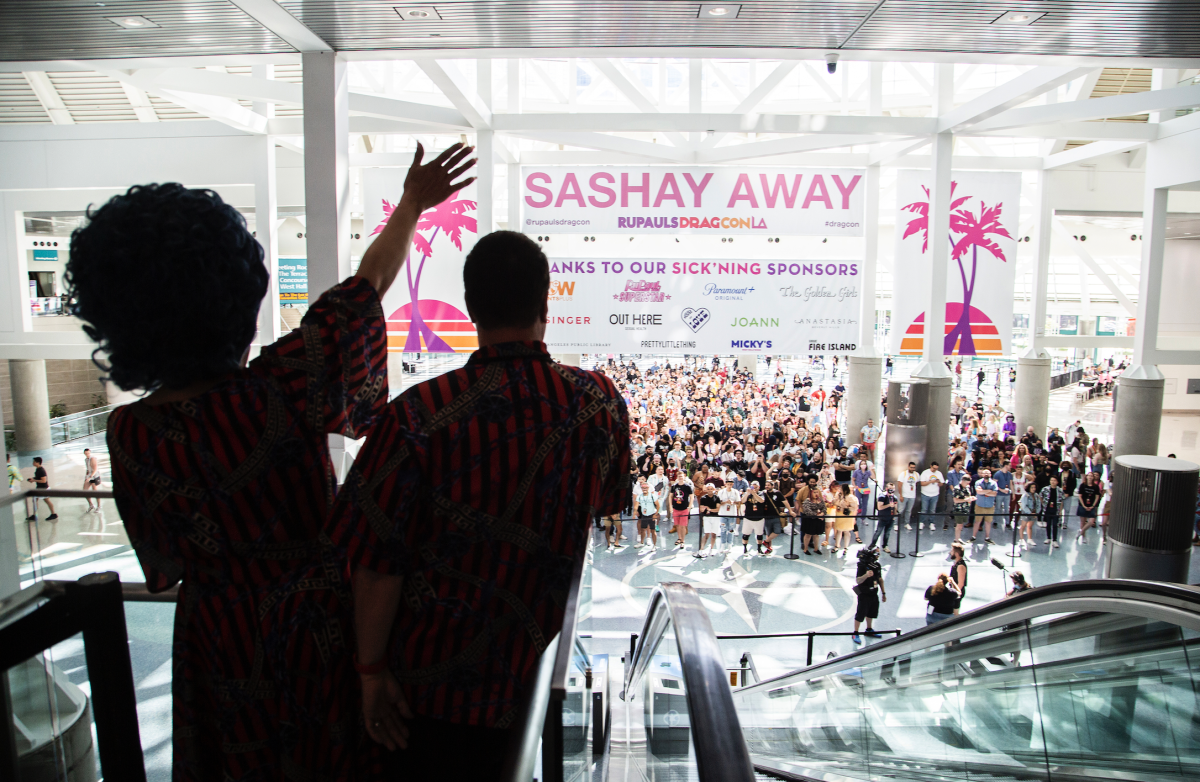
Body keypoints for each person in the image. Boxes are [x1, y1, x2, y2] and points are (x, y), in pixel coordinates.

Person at [69, 144, 474, 780]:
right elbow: (368, 284)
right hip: (320, 636)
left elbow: (162, 570)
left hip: (217, 646)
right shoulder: (287, 382)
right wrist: (413, 206)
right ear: (236, 290)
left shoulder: (131, 434)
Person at [330, 227, 629, 777]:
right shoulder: (600, 403)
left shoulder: (416, 415)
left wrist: (370, 671)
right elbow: (605, 506)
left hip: (428, 694)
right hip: (541, 677)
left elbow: (375, 562)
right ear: (546, 303)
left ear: (470, 307)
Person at [851, 548, 887, 643]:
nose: (878, 556)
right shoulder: (862, 566)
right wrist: (866, 575)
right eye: (877, 554)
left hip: (873, 593)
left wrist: (883, 593)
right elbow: (858, 580)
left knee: (871, 611)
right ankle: (855, 632)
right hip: (864, 593)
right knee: (861, 613)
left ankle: (869, 629)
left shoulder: (877, 566)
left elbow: (880, 579)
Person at [970, 468, 998, 545]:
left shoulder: (994, 483)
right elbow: (978, 492)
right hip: (980, 505)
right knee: (977, 522)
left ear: (990, 474)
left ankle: (987, 538)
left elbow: (995, 493)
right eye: (985, 473)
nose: (986, 474)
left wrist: (984, 492)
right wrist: (989, 491)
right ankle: (973, 536)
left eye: (988, 473)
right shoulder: (978, 482)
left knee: (988, 522)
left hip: (990, 506)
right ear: (982, 474)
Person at [799, 476, 825, 556]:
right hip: (809, 520)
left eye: (817, 492)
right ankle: (805, 549)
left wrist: (822, 513)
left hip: (817, 520)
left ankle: (816, 548)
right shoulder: (807, 501)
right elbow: (808, 511)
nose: (816, 494)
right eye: (814, 493)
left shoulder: (820, 500)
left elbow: (824, 507)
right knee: (807, 534)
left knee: (816, 534)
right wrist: (817, 515)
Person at [25, 456, 57, 521]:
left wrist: (34, 480)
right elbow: (39, 478)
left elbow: (43, 480)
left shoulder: (41, 470)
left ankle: (53, 514)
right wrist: (33, 478)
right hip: (40, 488)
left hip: (43, 489)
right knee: (35, 500)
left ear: (38, 462)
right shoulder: (38, 469)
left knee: (46, 501)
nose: (33, 463)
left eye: (34, 461)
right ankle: (35, 515)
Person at [870, 482, 898, 553]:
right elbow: (879, 507)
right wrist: (889, 505)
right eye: (890, 489)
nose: (891, 490)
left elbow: (895, 508)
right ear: (886, 489)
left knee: (887, 533)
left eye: (893, 489)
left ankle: (885, 545)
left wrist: (894, 516)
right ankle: (873, 544)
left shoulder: (894, 498)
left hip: (890, 518)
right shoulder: (882, 496)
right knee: (878, 531)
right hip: (883, 517)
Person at [695, 483, 720, 558]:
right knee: (706, 534)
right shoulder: (703, 498)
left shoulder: (717, 498)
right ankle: (702, 549)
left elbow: (717, 509)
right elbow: (701, 509)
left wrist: (710, 509)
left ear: (714, 489)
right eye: (708, 489)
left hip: (715, 517)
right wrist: (705, 509)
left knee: (714, 534)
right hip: (707, 518)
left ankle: (711, 549)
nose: (710, 491)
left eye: (711, 489)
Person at [831, 483, 859, 554]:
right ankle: (837, 545)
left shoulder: (851, 497)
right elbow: (834, 502)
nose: (839, 490)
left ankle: (846, 548)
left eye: (841, 488)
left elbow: (853, 507)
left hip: (847, 516)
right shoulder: (838, 495)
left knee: (846, 531)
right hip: (839, 514)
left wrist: (845, 507)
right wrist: (838, 502)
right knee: (839, 531)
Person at [669, 472, 694, 549]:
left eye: (681, 476)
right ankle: (679, 538)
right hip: (676, 508)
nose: (680, 478)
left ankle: (683, 540)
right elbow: (670, 496)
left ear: (684, 477)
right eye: (679, 476)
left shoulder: (688, 486)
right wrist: (670, 506)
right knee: (677, 525)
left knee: (683, 526)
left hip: (684, 508)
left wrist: (689, 507)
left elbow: (692, 497)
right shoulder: (674, 486)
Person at [741, 481, 767, 555]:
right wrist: (747, 493)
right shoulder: (748, 494)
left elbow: (761, 501)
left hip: (759, 518)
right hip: (748, 517)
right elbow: (742, 501)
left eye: (756, 487)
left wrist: (754, 493)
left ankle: (759, 549)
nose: (754, 489)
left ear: (758, 487)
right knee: (746, 534)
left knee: (759, 534)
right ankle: (745, 549)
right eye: (753, 487)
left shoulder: (761, 493)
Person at [1076, 471, 1101, 544]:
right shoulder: (1082, 485)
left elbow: (1097, 496)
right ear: (1086, 477)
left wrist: (1093, 505)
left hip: (1091, 506)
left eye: (1091, 476)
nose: (1090, 477)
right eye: (1089, 476)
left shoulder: (1095, 486)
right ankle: (1083, 536)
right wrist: (1084, 505)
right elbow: (1080, 496)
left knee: (1091, 522)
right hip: (1082, 505)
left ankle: (1081, 531)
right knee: (1083, 522)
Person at [918, 461, 944, 530]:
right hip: (925, 494)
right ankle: (921, 522)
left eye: (936, 468)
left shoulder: (939, 473)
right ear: (930, 466)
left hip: (935, 494)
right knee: (924, 509)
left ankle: (931, 523)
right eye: (933, 468)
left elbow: (942, 484)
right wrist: (931, 481)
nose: (935, 470)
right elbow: (922, 483)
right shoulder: (925, 473)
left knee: (932, 510)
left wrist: (938, 482)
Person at [951, 475, 976, 544]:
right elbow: (955, 500)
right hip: (959, 509)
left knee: (961, 525)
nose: (968, 485)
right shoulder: (957, 488)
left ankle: (959, 538)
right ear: (962, 481)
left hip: (965, 509)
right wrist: (966, 500)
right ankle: (956, 540)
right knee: (958, 525)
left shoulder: (967, 487)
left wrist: (971, 498)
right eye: (967, 483)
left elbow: (967, 496)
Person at [1040, 475, 1064, 548]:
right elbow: (1040, 496)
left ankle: (1055, 540)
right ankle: (1048, 538)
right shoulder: (1045, 489)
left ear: (1057, 482)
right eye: (1051, 480)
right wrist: (1043, 504)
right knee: (1048, 524)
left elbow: (1062, 501)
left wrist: (1060, 511)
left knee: (1055, 525)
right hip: (1047, 509)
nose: (1052, 482)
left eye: (1054, 480)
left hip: (1055, 509)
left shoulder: (1060, 490)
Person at [899, 460, 919, 531]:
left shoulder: (916, 474)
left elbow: (916, 483)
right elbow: (899, 485)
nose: (912, 469)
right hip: (904, 495)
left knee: (909, 510)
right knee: (900, 510)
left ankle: (906, 523)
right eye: (911, 467)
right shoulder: (903, 474)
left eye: (914, 468)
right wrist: (901, 495)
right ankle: (895, 523)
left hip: (912, 496)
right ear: (908, 467)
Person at [949, 541, 968, 615]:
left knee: (955, 612)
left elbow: (961, 583)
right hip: (953, 590)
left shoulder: (960, 566)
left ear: (956, 554)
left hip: (956, 593)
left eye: (952, 551)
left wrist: (955, 594)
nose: (950, 552)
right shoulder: (956, 563)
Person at [81, 447, 102, 511]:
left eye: (88, 453)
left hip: (94, 476)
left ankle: (99, 506)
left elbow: (95, 470)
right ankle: (91, 505)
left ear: (90, 453)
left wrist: (90, 477)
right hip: (89, 476)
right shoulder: (86, 460)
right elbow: (88, 469)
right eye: (86, 453)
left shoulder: (92, 459)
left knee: (95, 491)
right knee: (85, 490)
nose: (87, 454)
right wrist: (86, 477)